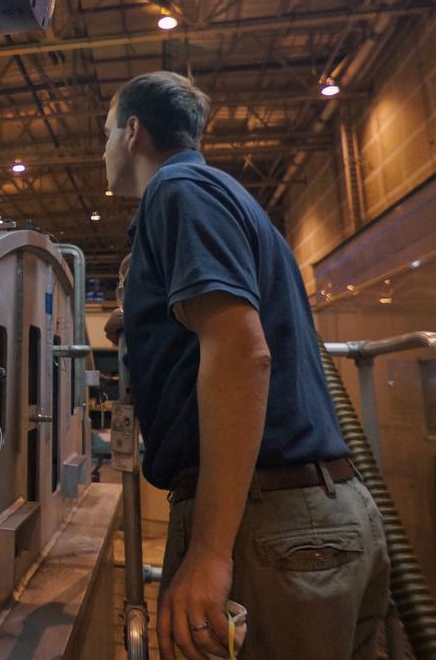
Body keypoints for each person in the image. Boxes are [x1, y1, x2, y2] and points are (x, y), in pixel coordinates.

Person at [102, 71, 389, 660]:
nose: (102, 150)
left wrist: (210, 551)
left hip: (267, 526)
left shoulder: (178, 190)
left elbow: (241, 352)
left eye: (105, 134)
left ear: (133, 132)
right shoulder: (223, 196)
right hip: (302, 517)